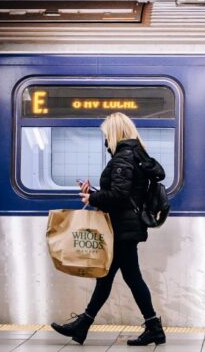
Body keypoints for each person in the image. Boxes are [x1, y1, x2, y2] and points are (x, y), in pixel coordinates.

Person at [51, 112, 166, 346]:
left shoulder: (123, 158)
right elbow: (124, 193)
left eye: (106, 134)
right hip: (124, 227)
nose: (105, 140)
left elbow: (119, 196)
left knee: (127, 278)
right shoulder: (134, 156)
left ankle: (151, 327)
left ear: (114, 133)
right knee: (112, 277)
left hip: (122, 228)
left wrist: (92, 197)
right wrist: (93, 192)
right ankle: (86, 325)